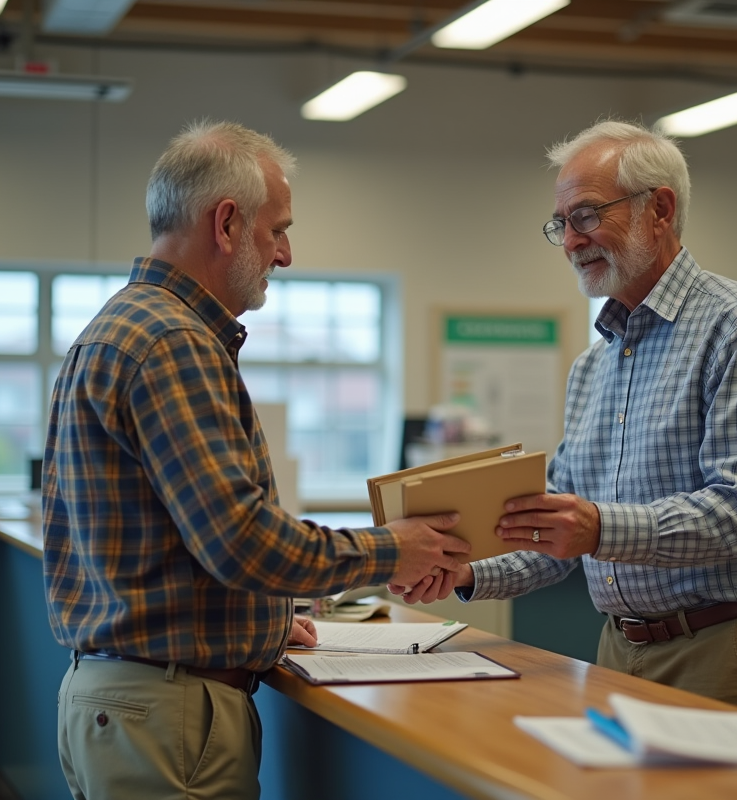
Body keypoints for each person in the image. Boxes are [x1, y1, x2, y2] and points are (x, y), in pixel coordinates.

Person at [42, 119, 470, 800]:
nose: (286, 254)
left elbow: (176, 543)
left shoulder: (125, 326)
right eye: (278, 230)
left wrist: (264, 622)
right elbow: (238, 539)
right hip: (169, 713)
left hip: (133, 699)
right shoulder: (172, 341)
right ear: (227, 224)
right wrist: (393, 550)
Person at [392, 119, 737, 724]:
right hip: (619, 647)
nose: (570, 241)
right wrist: (463, 571)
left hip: (726, 648)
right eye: (561, 224)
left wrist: (599, 529)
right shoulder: (593, 366)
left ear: (660, 209)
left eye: (587, 215)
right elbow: (559, 534)